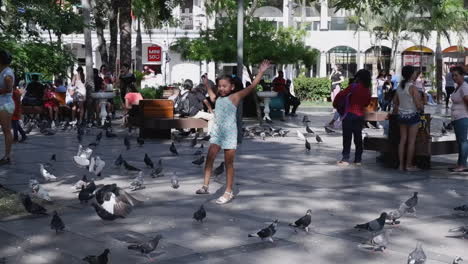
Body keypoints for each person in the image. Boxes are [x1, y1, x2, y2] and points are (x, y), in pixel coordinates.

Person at [195, 60, 271, 204]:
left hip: (229, 133)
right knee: (209, 158)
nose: (221, 88)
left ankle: (228, 192)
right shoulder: (217, 98)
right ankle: (205, 186)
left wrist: (261, 71)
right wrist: (206, 83)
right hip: (217, 133)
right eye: (220, 86)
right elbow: (211, 94)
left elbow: (253, 86)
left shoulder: (235, 97)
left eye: (225, 86)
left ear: (232, 87)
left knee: (228, 163)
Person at [334, 69, 371, 166]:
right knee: (358, 138)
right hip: (360, 116)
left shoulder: (353, 87)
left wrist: (337, 105)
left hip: (349, 114)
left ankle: (345, 159)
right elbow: (367, 103)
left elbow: (340, 95)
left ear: (359, 77)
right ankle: (358, 160)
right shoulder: (367, 90)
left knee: (347, 137)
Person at [392, 65, 424, 171]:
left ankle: (401, 165)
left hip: (401, 116)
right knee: (411, 141)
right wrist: (422, 105)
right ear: (411, 74)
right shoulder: (413, 88)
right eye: (414, 73)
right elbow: (418, 105)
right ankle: (409, 165)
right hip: (412, 116)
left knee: (402, 140)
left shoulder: (399, 87)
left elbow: (395, 102)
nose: (416, 74)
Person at [449, 66, 468, 172]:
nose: (454, 77)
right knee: (460, 141)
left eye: (456, 75)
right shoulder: (458, 86)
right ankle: (460, 163)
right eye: (453, 75)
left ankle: (463, 164)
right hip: (457, 118)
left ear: (462, 75)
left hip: (463, 117)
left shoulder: (464, 87)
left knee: (463, 142)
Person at [0, 50, 15, 165]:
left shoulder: (7, 73)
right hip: (2, 103)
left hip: (5, 105)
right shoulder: (2, 71)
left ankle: (7, 156)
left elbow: (9, 89)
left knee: (6, 130)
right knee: (6, 130)